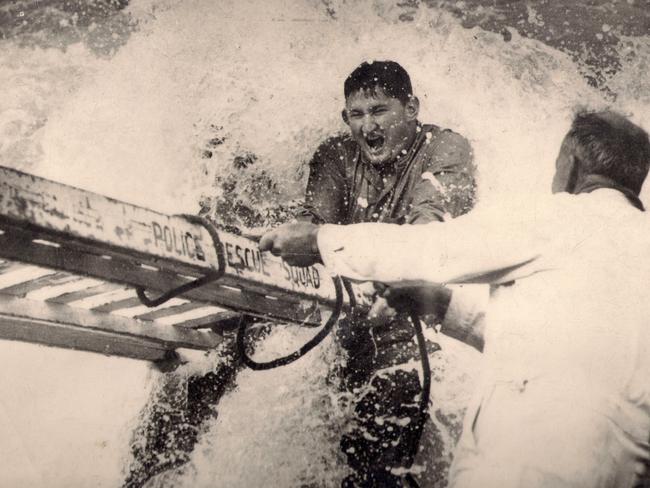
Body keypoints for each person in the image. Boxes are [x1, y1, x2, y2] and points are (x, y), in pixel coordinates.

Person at [260, 110, 650, 487]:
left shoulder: (558, 216)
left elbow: (433, 251)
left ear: (571, 164)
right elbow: (560, 349)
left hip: (529, 457)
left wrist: (319, 240)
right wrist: (442, 306)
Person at [297, 60, 476, 487]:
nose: (367, 126)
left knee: (381, 460)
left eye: (379, 111)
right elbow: (310, 225)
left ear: (411, 108)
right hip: (349, 325)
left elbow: (430, 225)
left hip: (420, 332)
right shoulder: (336, 155)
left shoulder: (446, 147)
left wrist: (390, 281)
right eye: (356, 115)